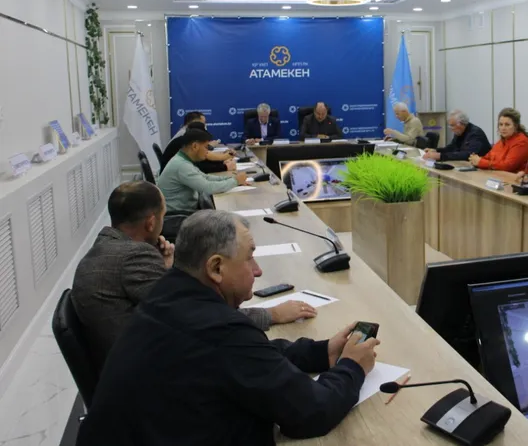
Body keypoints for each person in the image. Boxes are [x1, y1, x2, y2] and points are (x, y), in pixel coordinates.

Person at [76, 211, 380, 444]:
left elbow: (252, 356)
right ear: (216, 268)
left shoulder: (168, 294)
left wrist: (320, 352)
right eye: (250, 258)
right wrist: (352, 367)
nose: (258, 270)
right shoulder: (218, 330)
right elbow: (312, 412)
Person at [70, 183, 312, 371]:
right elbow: (198, 315)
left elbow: (168, 303)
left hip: (123, 361)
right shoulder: (135, 257)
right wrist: (272, 314)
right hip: (150, 373)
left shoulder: (107, 246)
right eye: (163, 216)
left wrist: (167, 268)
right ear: (151, 223)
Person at [158, 126, 248, 213]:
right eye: (206, 147)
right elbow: (208, 188)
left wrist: (232, 179)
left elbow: (206, 177)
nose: (207, 151)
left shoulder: (183, 159)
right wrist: (235, 182)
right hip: (179, 216)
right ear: (195, 146)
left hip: (186, 211)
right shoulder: (182, 166)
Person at [470, 107, 528, 174]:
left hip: (524, 178)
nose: (503, 128)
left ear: (515, 126)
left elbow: (508, 166)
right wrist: (476, 159)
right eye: (501, 124)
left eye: (507, 125)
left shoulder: (522, 142)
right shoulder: (502, 141)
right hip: (505, 176)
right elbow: (488, 157)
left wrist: (481, 162)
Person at [160, 120, 235, 175]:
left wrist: (222, 163)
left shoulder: (183, 141)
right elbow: (200, 168)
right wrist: (224, 167)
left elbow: (203, 163)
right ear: (195, 144)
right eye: (205, 146)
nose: (206, 150)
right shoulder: (183, 146)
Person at [422, 109, 491, 162]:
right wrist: (436, 151)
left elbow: (468, 155)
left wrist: (441, 156)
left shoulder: (476, 134)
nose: (450, 128)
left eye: (452, 125)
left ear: (461, 124)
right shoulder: (459, 132)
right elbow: (452, 147)